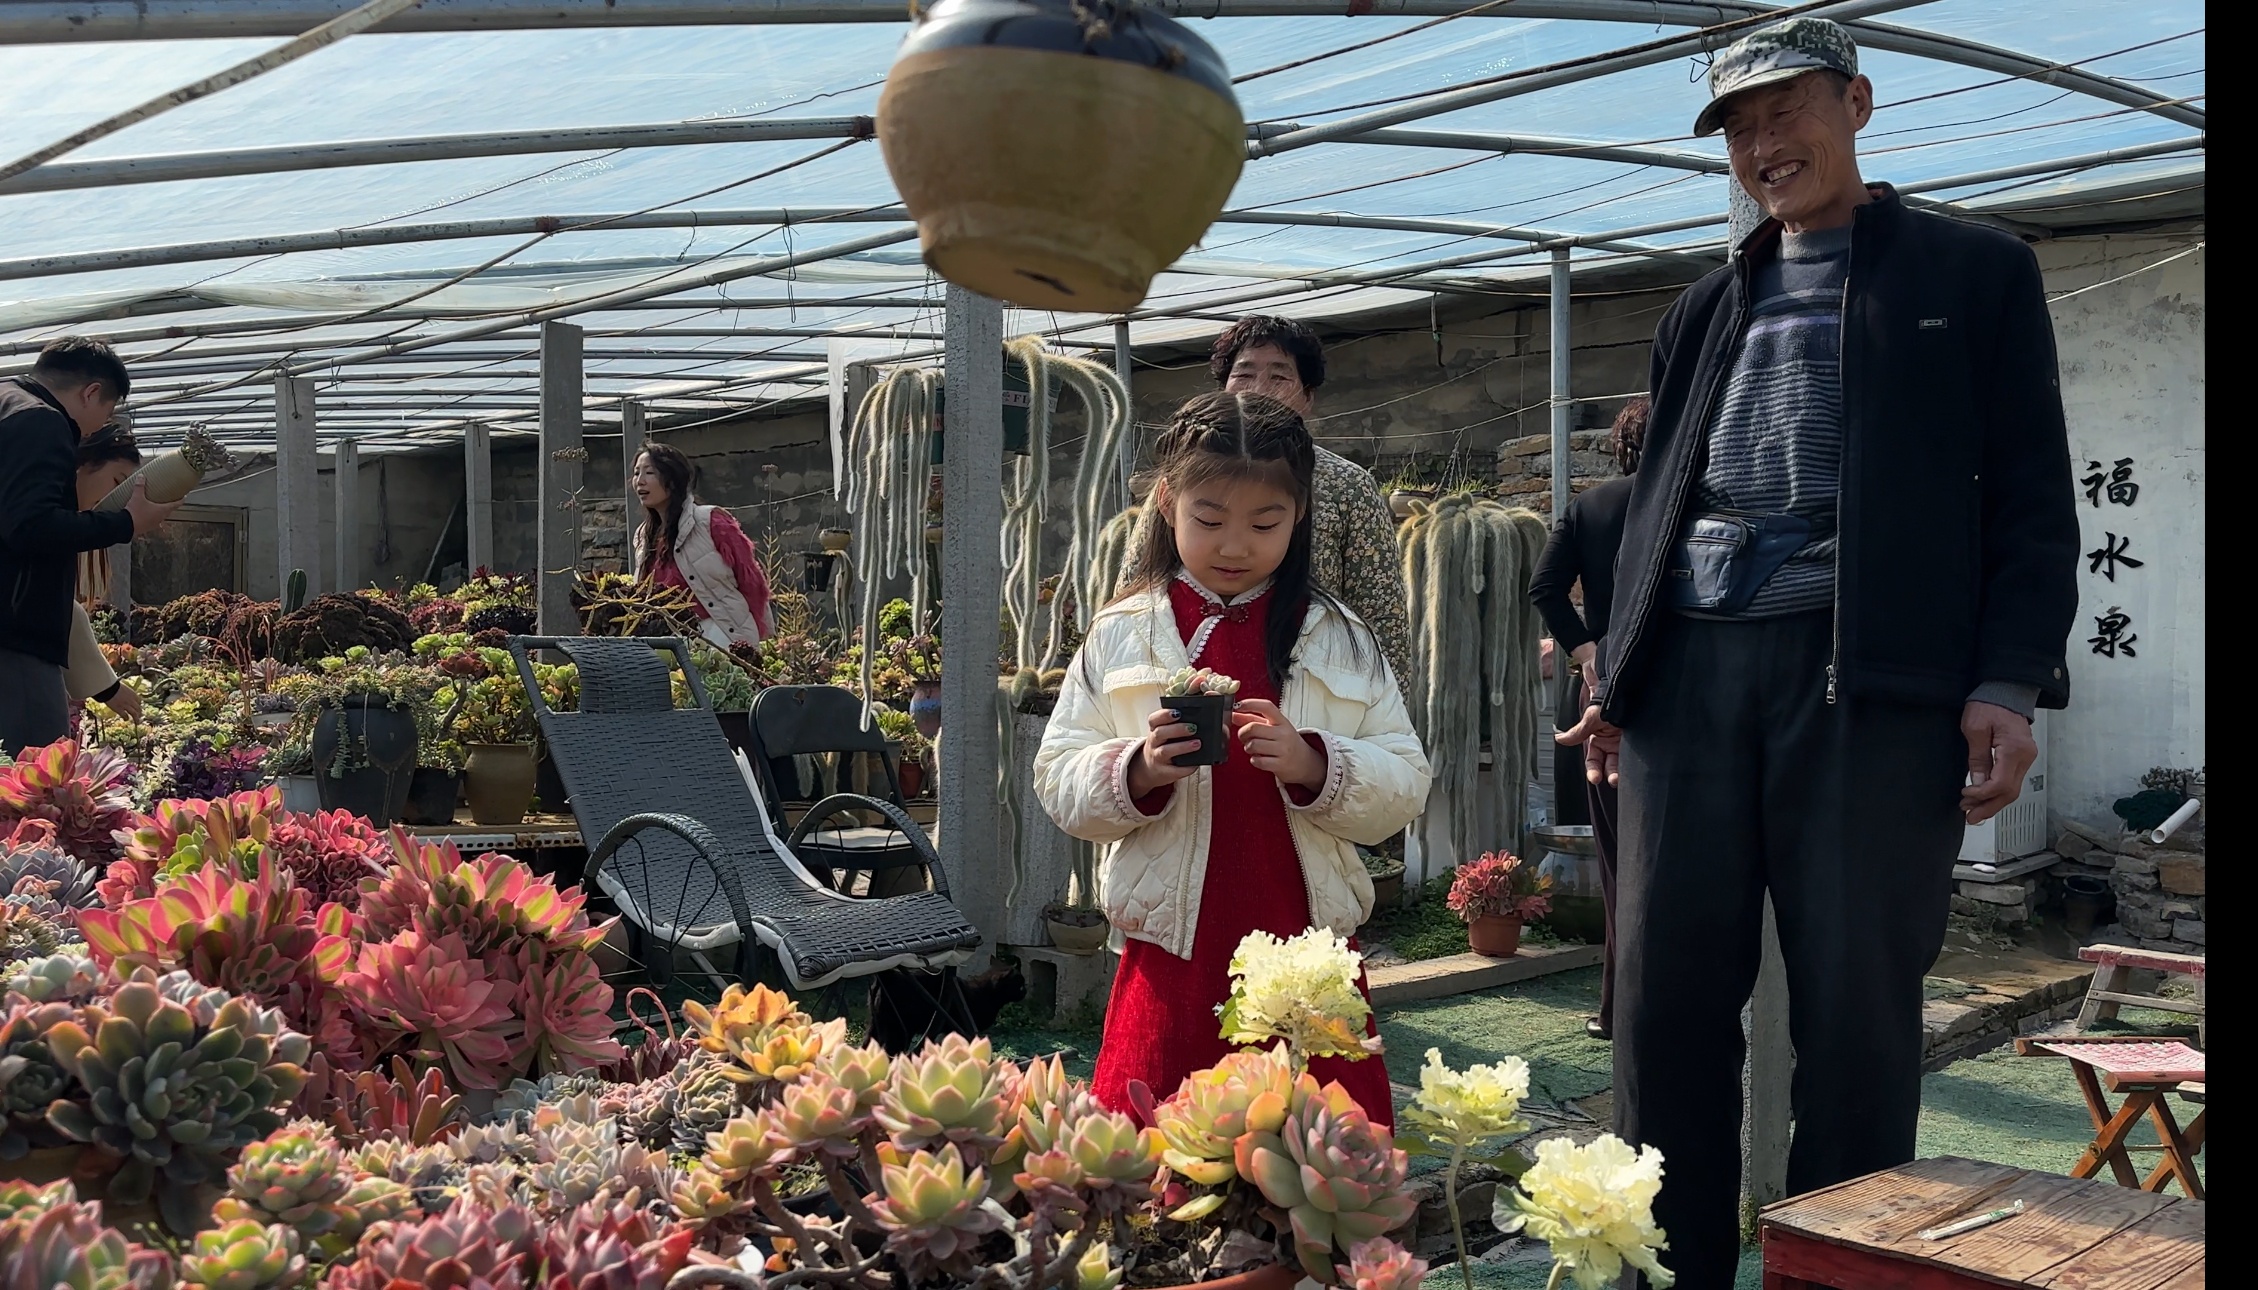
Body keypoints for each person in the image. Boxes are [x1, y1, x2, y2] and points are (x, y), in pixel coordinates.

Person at [1556, 20, 2079, 1288]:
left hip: (1869, 680)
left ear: (1855, 101)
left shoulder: (1972, 271)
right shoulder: (1701, 307)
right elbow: (1654, 504)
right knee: (1661, 1003)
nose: (1761, 145)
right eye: (1737, 129)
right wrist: (1615, 670)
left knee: (1855, 1010)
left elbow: (2029, 491)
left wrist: (2006, 682)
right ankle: (1663, 1270)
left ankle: (1834, 1272)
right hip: (1688, 677)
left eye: (1783, 111)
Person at [1035, 392, 1430, 1125]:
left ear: (1300, 513)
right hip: (1174, 949)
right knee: (1157, 1148)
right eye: (1210, 520)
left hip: (1305, 945)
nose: (1235, 546)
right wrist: (1137, 770)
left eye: (1264, 523)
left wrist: (1315, 764)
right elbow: (1059, 776)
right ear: (1166, 502)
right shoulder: (1122, 632)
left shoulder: (1339, 635)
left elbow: (1406, 779)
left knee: (1314, 1152)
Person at [1115, 316, 1412, 697]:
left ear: (1308, 397)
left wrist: (1381, 706)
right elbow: (1138, 578)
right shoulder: (1184, 476)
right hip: (1182, 679)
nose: (1259, 389)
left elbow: (1381, 612)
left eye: (1279, 377)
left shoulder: (1347, 484)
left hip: (1310, 683)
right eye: (1244, 374)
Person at [1527, 395, 1647, 1043]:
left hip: (1600, 692)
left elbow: (1544, 588)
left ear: (1621, 448)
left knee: (1619, 863)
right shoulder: (1692, 505)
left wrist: (1586, 651)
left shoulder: (1591, 507)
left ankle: (1616, 1008)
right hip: (1677, 694)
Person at [0, 338, 176, 755]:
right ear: (91, 392)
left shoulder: (7, 403)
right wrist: (126, 523)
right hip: (13, 634)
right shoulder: (41, 420)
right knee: (36, 772)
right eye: (106, 412)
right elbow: (30, 526)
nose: (96, 428)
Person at [630, 441, 774, 649]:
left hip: (721, 637)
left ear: (672, 480)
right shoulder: (643, 536)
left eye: (649, 473)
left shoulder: (710, 522)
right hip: (668, 644)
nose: (639, 481)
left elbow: (751, 582)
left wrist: (760, 638)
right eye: (636, 473)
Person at [65, 423, 148, 720]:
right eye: (116, 482)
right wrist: (108, 688)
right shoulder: (43, 522)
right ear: (84, 464)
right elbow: (55, 604)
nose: (115, 500)